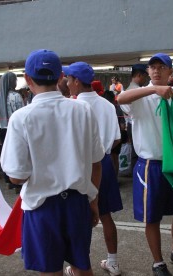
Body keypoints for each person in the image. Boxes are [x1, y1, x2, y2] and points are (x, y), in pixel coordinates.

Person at [0, 49, 104, 276]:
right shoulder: (83, 110)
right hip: (77, 203)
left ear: (27, 79)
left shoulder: (21, 118)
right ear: (61, 77)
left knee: (50, 270)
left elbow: (16, 175)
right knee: (82, 265)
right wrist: (93, 202)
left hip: (42, 208)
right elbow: (97, 162)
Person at [117, 53, 173, 276]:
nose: (155, 71)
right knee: (151, 215)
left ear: (170, 72)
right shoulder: (141, 97)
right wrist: (154, 90)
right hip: (150, 165)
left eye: (161, 67)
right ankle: (158, 262)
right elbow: (120, 99)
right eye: (152, 67)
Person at [64, 62, 123, 275]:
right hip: (104, 162)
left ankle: (77, 265)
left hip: (78, 166)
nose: (67, 83)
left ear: (77, 81)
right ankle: (113, 261)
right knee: (106, 215)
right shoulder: (107, 105)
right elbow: (117, 138)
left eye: (69, 79)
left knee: (78, 218)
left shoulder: (71, 105)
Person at [0, 71, 24, 191]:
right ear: (12, 82)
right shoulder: (16, 96)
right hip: (14, 128)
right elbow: (22, 113)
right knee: (17, 154)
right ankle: (17, 182)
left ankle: (8, 180)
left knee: (6, 152)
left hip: (1, 127)